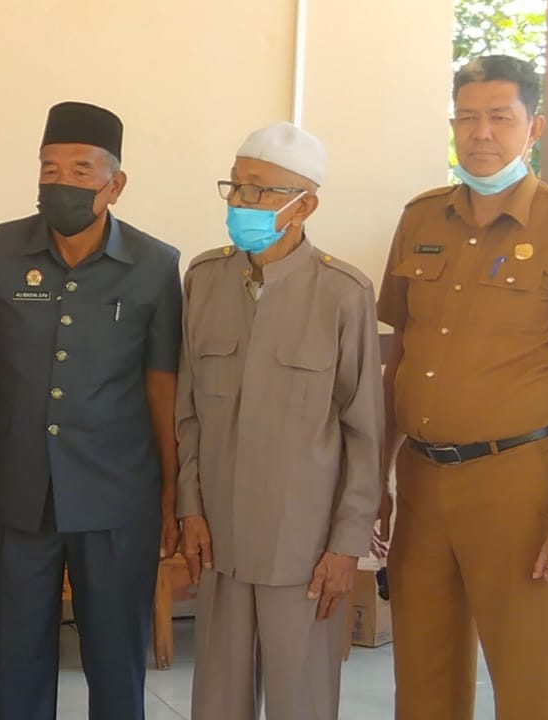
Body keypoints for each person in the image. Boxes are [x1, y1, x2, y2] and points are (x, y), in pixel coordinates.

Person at [377, 55, 548, 720]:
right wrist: (379, 481)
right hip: (421, 481)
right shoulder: (420, 220)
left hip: (521, 486)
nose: (481, 133)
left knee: (530, 683)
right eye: (467, 117)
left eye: (499, 118)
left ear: (531, 127)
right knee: (423, 680)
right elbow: (399, 357)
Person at [0, 101, 182, 720]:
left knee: (115, 660)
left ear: (115, 185)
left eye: (80, 171)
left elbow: (162, 389)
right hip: (11, 496)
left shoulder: (155, 266)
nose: (61, 183)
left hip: (116, 495)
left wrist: (172, 491)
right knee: (12, 658)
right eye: (50, 169)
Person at [175, 121, 382, 719]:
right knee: (217, 701)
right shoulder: (205, 279)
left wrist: (346, 545)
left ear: (304, 205)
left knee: (303, 701)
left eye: (260, 191)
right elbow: (187, 411)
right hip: (220, 538)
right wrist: (189, 506)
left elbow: (363, 433)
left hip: (304, 548)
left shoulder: (343, 293)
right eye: (236, 187)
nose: (242, 202)